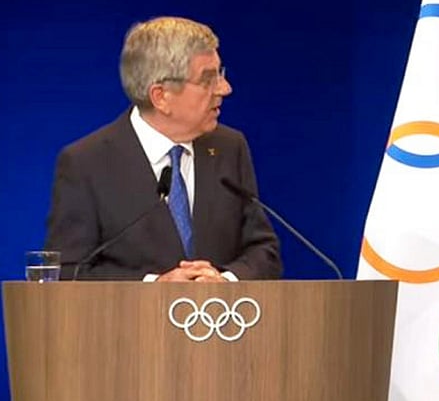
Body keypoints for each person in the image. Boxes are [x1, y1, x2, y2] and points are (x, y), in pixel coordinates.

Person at [45, 16, 281, 281]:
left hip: (222, 320)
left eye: (220, 74)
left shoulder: (229, 147)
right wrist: (154, 287)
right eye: (208, 79)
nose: (225, 89)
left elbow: (263, 251)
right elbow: (68, 272)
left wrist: (224, 281)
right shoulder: (86, 163)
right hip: (131, 323)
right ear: (161, 96)